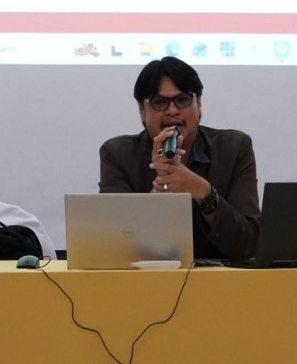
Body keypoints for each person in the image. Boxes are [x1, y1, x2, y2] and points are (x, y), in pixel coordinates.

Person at [98, 55, 260, 261]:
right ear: (141, 110)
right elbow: (114, 246)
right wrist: (159, 193)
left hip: (221, 277)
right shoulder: (117, 155)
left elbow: (249, 245)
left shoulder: (234, 148)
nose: (172, 111)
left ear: (199, 104)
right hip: (146, 278)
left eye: (183, 100)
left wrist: (204, 192)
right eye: (159, 102)